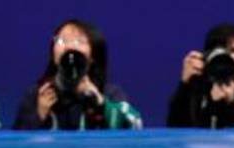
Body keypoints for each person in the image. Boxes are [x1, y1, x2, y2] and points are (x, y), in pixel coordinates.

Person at [13, 19, 141, 131]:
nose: (69, 47)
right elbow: (15, 144)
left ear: (93, 56)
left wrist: (101, 105)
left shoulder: (109, 93)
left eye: (79, 41)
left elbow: (134, 127)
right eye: (62, 41)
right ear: (53, 55)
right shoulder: (37, 94)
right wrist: (39, 115)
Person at [167, 24, 234, 129]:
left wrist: (229, 107)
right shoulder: (196, 92)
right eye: (220, 51)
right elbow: (174, 131)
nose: (227, 57)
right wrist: (185, 85)